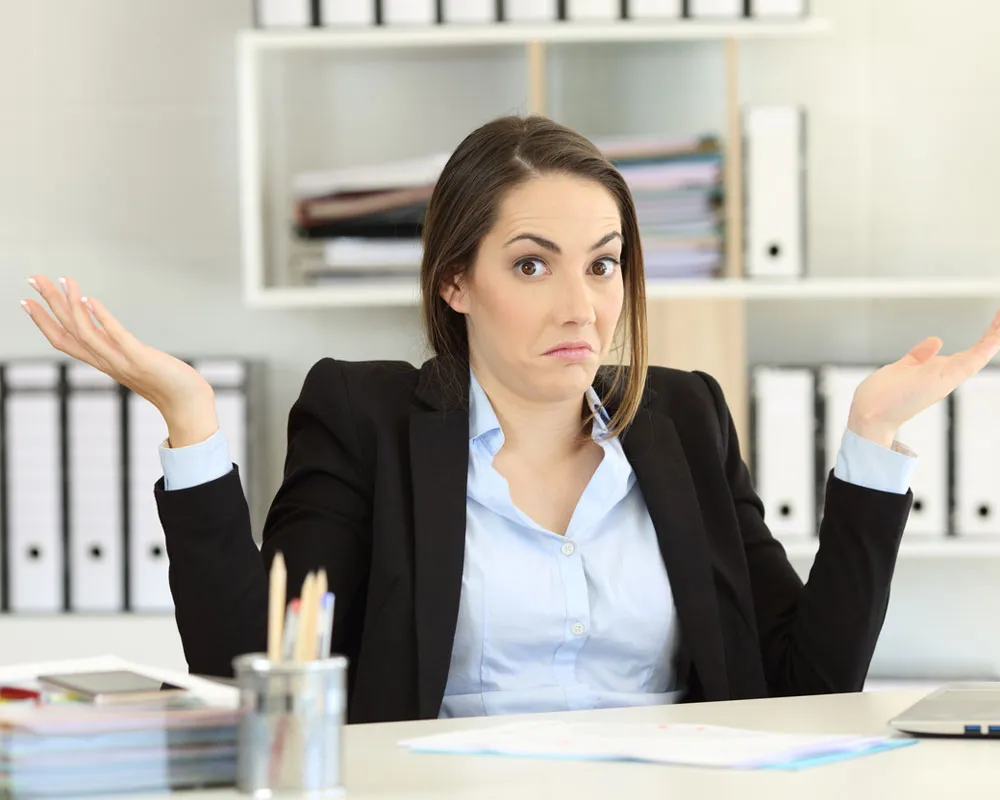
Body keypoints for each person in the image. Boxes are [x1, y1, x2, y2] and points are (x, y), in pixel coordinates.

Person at [21, 115, 1000, 725]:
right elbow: (257, 678)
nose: (581, 304)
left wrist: (870, 445)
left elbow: (805, 687)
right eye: (532, 263)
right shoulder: (362, 416)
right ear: (456, 279)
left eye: (603, 261)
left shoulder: (685, 416)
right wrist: (190, 420)